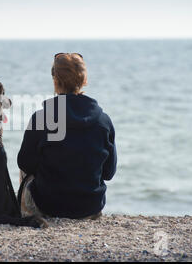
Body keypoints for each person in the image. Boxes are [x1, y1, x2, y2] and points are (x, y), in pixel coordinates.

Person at [17, 53, 117, 219]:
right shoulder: (103, 121)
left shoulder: (41, 118)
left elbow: (25, 163)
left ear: (55, 82)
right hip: (90, 207)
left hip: (48, 206)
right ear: (84, 80)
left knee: (27, 163)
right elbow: (109, 172)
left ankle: (27, 213)